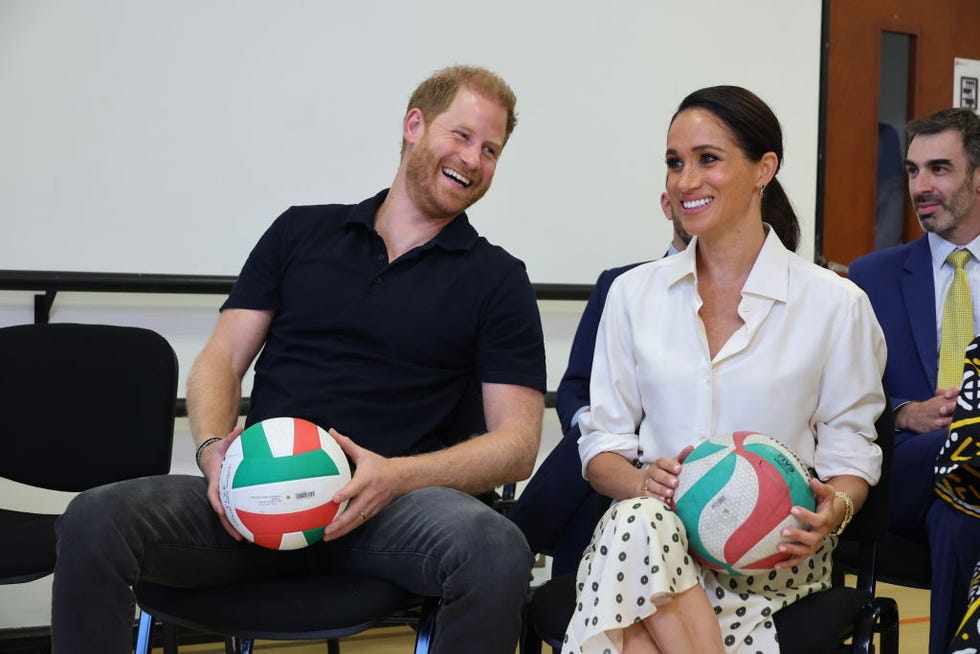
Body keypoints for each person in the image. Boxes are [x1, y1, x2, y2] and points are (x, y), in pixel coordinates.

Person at [50, 65, 547, 654]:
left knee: (493, 548)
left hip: (383, 511)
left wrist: (397, 476)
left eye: (491, 149)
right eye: (461, 135)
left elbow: (516, 446)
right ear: (415, 125)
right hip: (251, 499)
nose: (473, 159)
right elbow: (220, 358)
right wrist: (213, 455)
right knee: (93, 519)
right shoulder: (301, 232)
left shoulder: (498, 280)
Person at [563, 85, 886, 653]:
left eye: (707, 159)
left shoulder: (837, 304)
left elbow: (852, 452)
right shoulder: (631, 295)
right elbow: (601, 446)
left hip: (771, 556)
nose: (685, 180)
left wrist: (831, 513)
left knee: (630, 590)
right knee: (640, 520)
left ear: (764, 169)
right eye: (674, 163)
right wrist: (640, 482)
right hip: (654, 546)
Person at [849, 107, 980, 654]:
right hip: (900, 471)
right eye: (911, 171)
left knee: (960, 515)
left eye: (940, 169)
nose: (920, 187)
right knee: (953, 448)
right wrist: (905, 411)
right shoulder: (869, 278)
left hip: (963, 493)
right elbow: (839, 398)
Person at [508, 192, 687, 576]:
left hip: (673, 460)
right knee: (595, 445)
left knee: (592, 464)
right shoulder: (620, 284)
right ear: (665, 204)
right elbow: (575, 387)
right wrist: (606, 436)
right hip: (614, 453)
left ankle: (511, 552)